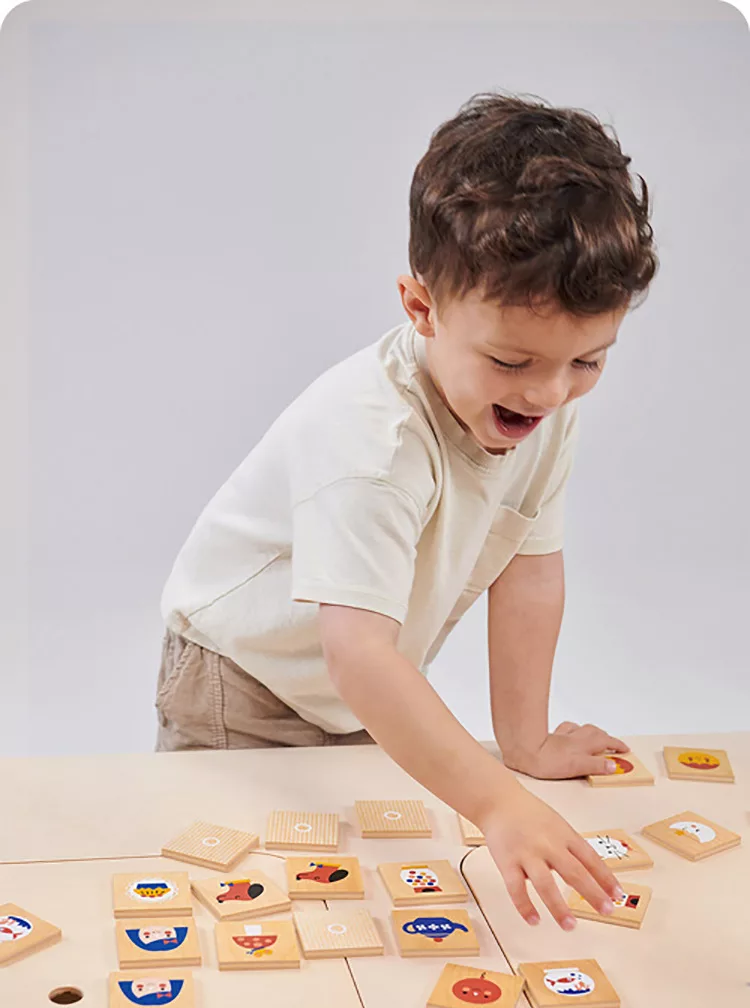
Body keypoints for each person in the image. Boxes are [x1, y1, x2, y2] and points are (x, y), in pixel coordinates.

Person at [155, 90, 658, 931]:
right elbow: (357, 652)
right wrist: (498, 802)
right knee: (240, 904)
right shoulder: (374, 443)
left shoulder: (545, 405)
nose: (549, 392)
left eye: (587, 361)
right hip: (242, 684)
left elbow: (530, 573)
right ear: (421, 307)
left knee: (355, 905)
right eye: (512, 361)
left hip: (358, 692)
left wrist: (525, 744)